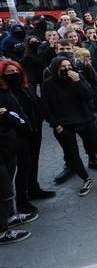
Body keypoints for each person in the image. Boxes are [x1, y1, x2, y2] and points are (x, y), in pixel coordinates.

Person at [42, 57, 97, 197]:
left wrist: (78, 82)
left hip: (84, 119)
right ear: (55, 68)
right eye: (62, 67)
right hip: (64, 124)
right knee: (73, 154)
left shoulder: (78, 77)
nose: (66, 69)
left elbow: (89, 95)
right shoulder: (48, 84)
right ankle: (86, 179)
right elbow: (46, 107)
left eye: (69, 65)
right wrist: (56, 124)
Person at [0, 61, 54, 207]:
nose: (14, 74)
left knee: (34, 162)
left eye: (16, 71)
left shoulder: (27, 87)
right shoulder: (2, 94)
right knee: (24, 166)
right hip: (17, 135)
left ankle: (34, 189)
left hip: (35, 131)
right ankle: (22, 200)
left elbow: (38, 104)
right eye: (9, 72)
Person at [0, 90, 33, 245]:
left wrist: (6, 113)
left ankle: (10, 217)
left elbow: (17, 116)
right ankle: (2, 232)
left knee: (7, 187)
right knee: (4, 190)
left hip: (7, 146)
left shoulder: (4, 93)